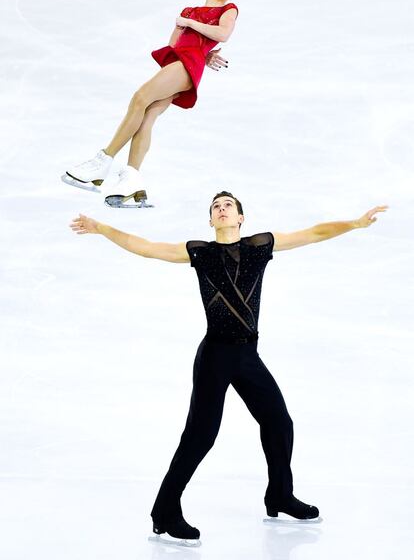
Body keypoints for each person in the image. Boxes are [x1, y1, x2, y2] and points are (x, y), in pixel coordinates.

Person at [70, 193, 388, 543]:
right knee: (200, 436)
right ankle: (164, 510)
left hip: (248, 356)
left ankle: (280, 495)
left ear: (240, 218)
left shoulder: (260, 246)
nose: (221, 210)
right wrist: (101, 228)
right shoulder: (200, 253)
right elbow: (145, 247)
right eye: (215, 208)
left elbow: (313, 233)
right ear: (211, 221)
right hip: (215, 358)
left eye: (227, 206)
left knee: (279, 422)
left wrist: (355, 224)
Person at [63, 0, 239, 207]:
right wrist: (187, 31)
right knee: (147, 114)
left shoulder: (228, 9)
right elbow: (174, 44)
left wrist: (191, 28)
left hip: (187, 66)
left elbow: (222, 34)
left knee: (139, 98)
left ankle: (102, 162)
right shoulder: (189, 11)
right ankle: (132, 180)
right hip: (179, 62)